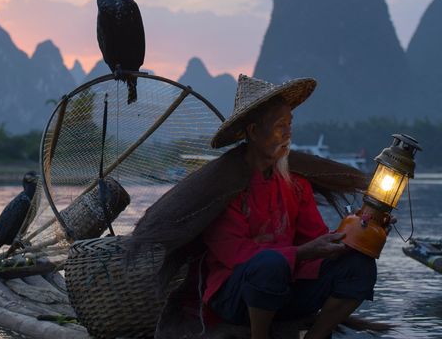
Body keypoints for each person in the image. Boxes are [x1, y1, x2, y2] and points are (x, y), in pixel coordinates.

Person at [130, 74, 376, 339]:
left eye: (290, 124)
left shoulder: (295, 182)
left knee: (359, 265)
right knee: (269, 264)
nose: (288, 133)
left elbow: (316, 237)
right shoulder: (225, 187)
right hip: (234, 294)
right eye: (280, 125)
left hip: (286, 287)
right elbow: (237, 254)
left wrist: (356, 228)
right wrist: (301, 253)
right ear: (254, 131)